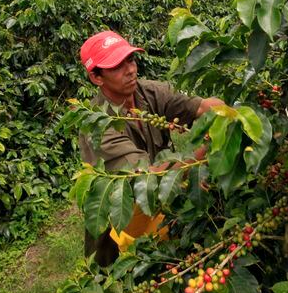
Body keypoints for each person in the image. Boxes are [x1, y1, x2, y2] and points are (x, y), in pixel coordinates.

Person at [78, 30, 224, 266]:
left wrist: (232, 116)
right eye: (117, 66)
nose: (131, 70)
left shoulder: (149, 92)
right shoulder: (96, 126)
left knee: (165, 261)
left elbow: (202, 107)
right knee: (120, 272)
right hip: (123, 213)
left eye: (131, 60)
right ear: (97, 78)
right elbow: (150, 175)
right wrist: (205, 148)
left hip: (159, 202)